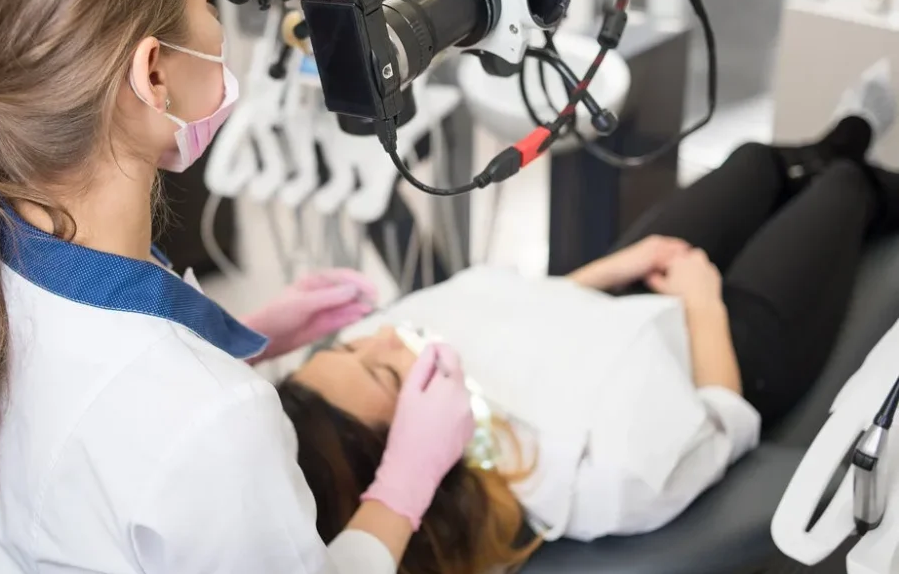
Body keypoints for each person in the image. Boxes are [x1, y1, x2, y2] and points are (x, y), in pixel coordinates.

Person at [0, 0, 477, 572]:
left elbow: (95, 429)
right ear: (153, 73)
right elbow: (156, 424)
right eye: (207, 0)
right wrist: (402, 490)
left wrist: (232, 335)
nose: (218, 29)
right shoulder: (215, 426)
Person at [277, 61, 899, 574]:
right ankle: (844, 156)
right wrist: (703, 300)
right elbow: (722, 423)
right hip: (730, 351)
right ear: (413, 458)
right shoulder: (592, 480)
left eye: (347, 347)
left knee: (753, 161)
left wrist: (613, 269)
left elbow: (507, 313)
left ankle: (835, 141)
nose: (385, 337)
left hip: (616, 298)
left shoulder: (398, 348)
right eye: (384, 372)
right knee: (846, 188)